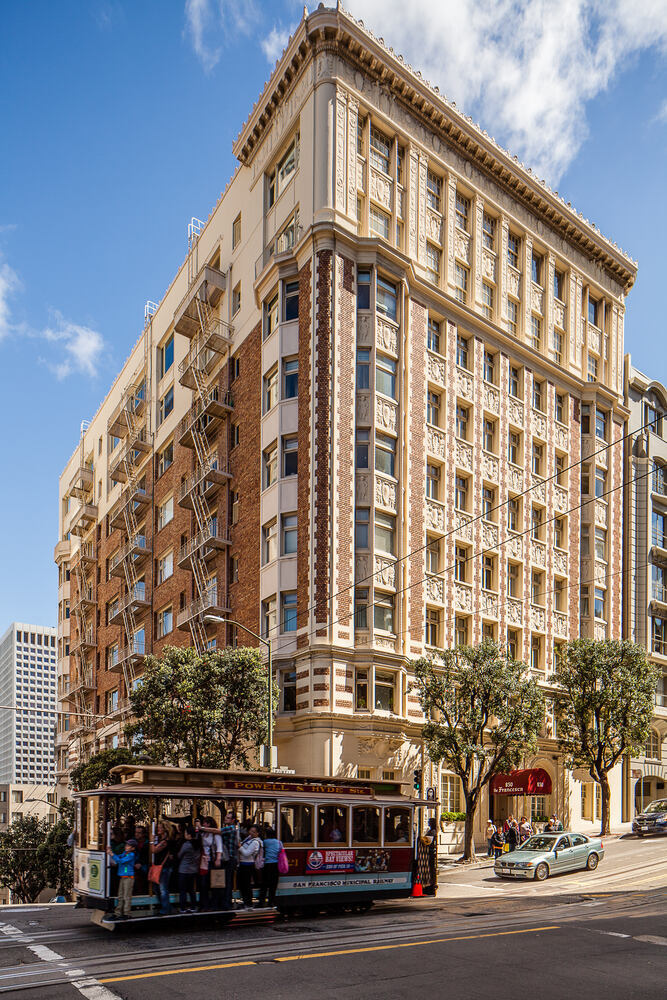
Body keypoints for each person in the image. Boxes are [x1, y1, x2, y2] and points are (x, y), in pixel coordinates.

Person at [105, 840, 136, 921]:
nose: (126, 847)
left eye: (128, 846)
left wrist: (111, 854)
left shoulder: (131, 855)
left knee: (126, 896)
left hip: (129, 878)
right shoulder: (125, 853)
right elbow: (118, 857)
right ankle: (117, 913)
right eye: (126, 845)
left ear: (133, 848)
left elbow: (120, 861)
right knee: (120, 896)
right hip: (123, 877)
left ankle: (127, 913)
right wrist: (111, 852)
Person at [198, 817, 224, 911]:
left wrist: (218, 859)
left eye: (205, 823)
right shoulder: (203, 834)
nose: (203, 824)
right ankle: (204, 904)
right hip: (204, 861)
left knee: (215, 884)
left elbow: (219, 847)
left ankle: (214, 904)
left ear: (209, 824)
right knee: (203, 884)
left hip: (212, 860)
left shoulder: (215, 834)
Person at [152, 821, 176, 916]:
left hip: (164, 867)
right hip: (160, 866)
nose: (158, 829)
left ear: (165, 829)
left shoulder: (166, 841)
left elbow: (154, 850)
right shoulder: (160, 839)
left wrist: (151, 841)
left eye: (160, 828)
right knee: (157, 888)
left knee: (163, 889)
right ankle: (167, 907)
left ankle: (165, 909)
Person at [238, 824, 262, 909]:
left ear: (258, 833)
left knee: (247, 885)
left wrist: (240, 847)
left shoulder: (255, 842)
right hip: (242, 864)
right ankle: (245, 902)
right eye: (250, 831)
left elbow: (246, 853)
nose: (251, 833)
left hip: (248, 865)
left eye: (254, 832)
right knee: (242, 885)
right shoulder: (248, 838)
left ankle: (248, 903)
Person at [256, 827, 282, 908]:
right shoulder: (279, 842)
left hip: (267, 865)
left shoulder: (265, 842)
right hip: (275, 865)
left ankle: (261, 902)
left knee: (264, 885)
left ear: (266, 835)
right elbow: (281, 851)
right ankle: (271, 902)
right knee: (273, 885)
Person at [177, 825, 200, 913]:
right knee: (191, 890)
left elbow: (179, 855)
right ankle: (193, 907)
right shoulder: (197, 844)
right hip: (193, 869)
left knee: (182, 890)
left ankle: (183, 908)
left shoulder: (186, 845)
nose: (184, 834)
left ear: (189, 835)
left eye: (186, 833)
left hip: (184, 870)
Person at [219, 809, 240, 910]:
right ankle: (226, 902)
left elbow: (218, 831)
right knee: (227, 881)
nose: (225, 819)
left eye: (228, 818)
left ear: (233, 820)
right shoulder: (231, 828)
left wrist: (201, 828)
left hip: (230, 858)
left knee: (228, 881)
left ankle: (227, 903)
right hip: (229, 858)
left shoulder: (231, 828)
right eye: (226, 817)